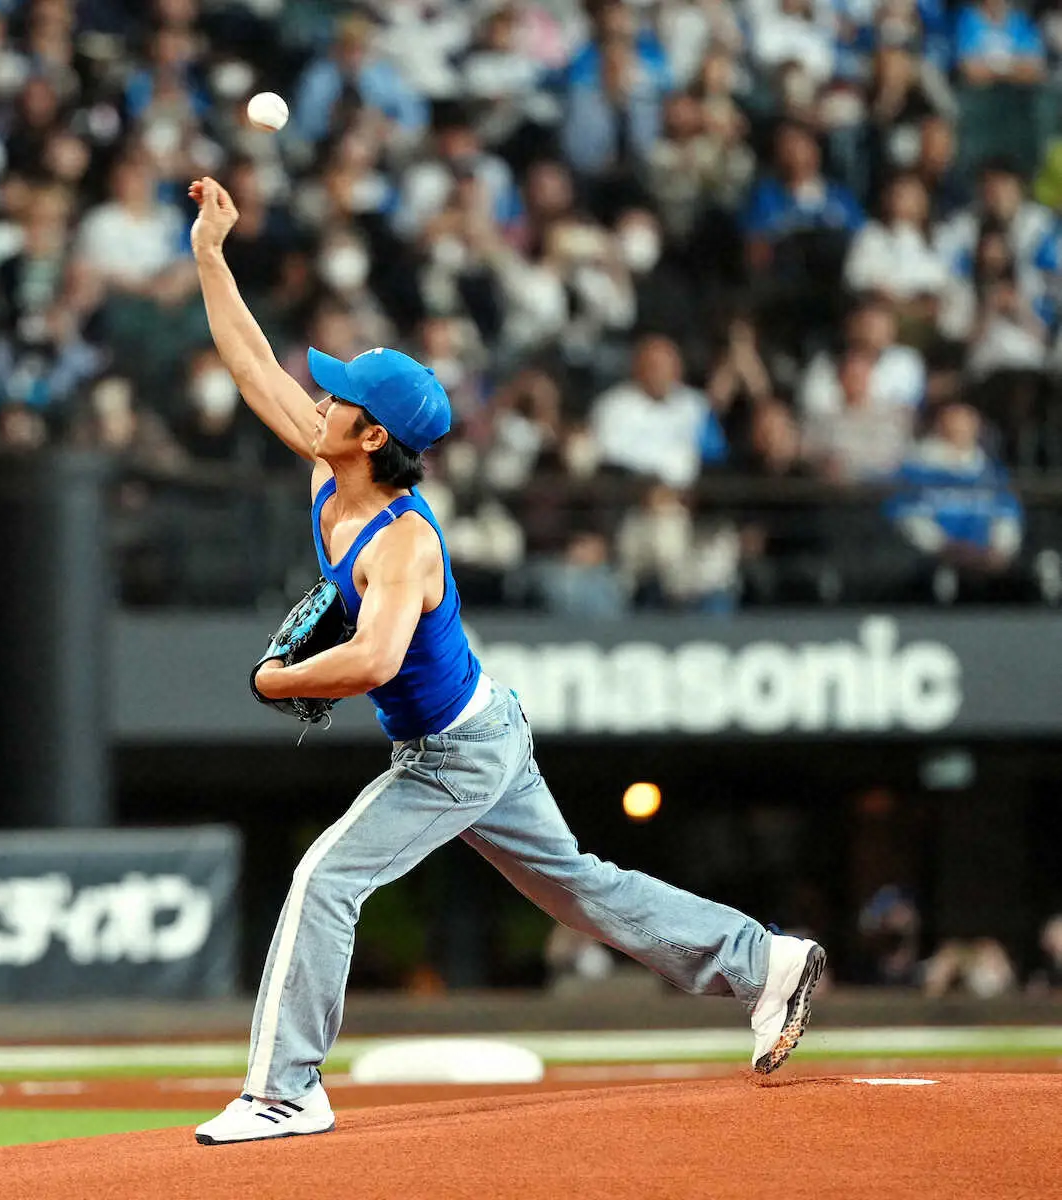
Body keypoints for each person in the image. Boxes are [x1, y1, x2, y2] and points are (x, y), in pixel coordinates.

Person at [185, 174, 827, 1146]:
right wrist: (209, 254)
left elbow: (372, 660)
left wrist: (276, 680)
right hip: (481, 727)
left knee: (323, 879)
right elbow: (250, 368)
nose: (320, 397)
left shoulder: (403, 542)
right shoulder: (329, 464)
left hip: (456, 754)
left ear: (372, 435)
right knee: (584, 888)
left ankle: (284, 1091)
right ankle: (763, 961)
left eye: (340, 395)